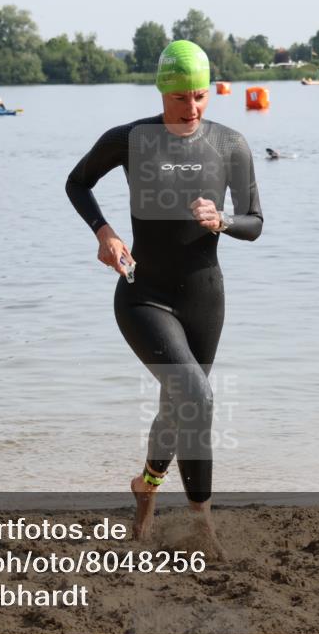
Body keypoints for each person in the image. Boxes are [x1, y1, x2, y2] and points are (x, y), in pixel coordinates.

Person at [66, 40, 263, 545]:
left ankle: (146, 485)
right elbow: (77, 182)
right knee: (196, 395)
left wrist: (223, 220)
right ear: (162, 91)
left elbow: (256, 222)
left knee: (181, 405)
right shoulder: (132, 139)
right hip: (143, 293)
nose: (192, 108)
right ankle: (203, 525)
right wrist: (104, 233)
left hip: (205, 295)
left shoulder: (231, 144)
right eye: (181, 98)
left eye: (200, 96)